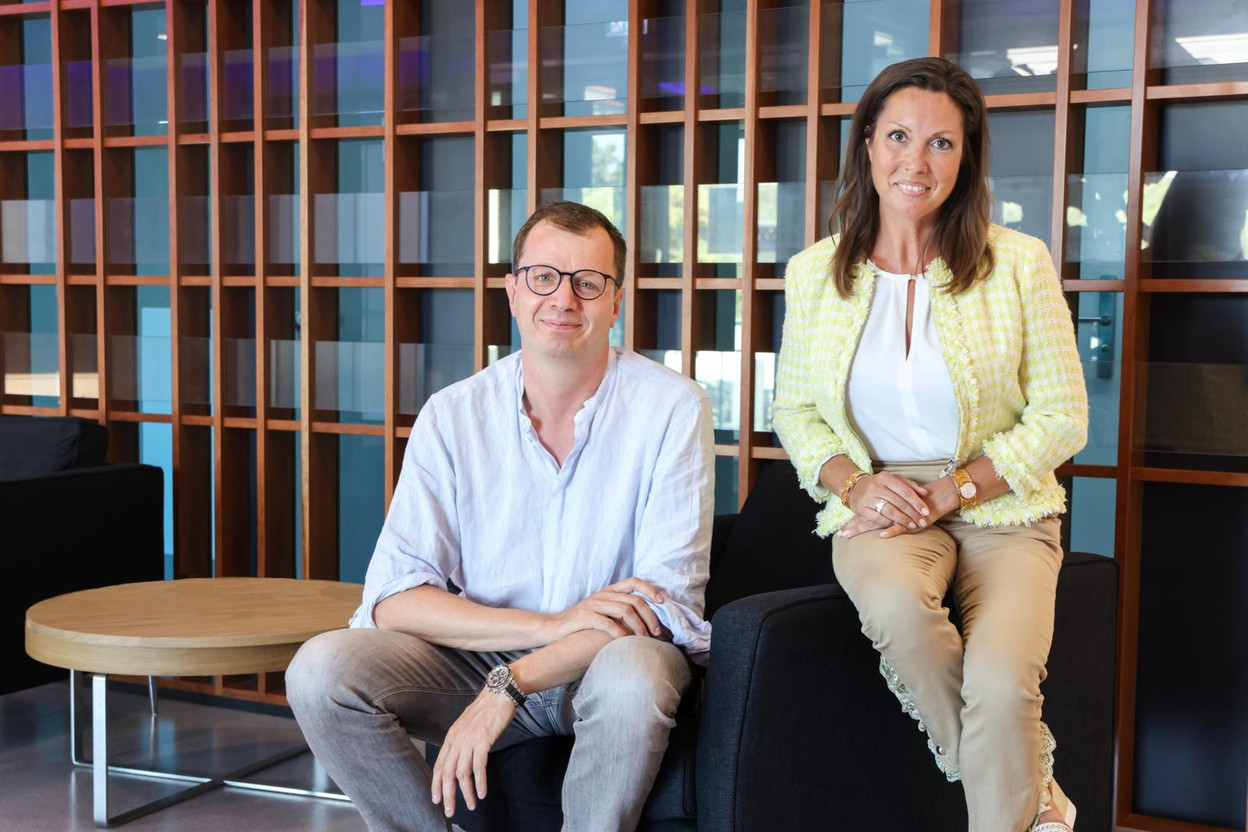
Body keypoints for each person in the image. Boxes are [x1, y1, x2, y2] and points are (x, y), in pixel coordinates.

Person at [286, 201, 715, 832]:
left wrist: (510, 683)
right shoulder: (453, 414)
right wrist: (547, 625)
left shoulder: (673, 407)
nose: (563, 299)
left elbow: (663, 610)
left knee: (633, 673)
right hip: (482, 656)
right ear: (513, 292)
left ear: (615, 301)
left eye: (587, 283)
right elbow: (392, 597)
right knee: (321, 670)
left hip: (608, 661)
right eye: (543, 277)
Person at [772, 57, 1087, 832]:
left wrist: (955, 490)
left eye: (942, 144)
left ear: (966, 157)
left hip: (1003, 502)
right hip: (879, 503)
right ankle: (1038, 802)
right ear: (868, 146)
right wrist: (853, 485)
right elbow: (794, 412)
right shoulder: (814, 274)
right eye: (900, 137)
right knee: (901, 616)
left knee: (1005, 682)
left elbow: (1063, 416)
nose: (917, 162)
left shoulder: (1018, 262)